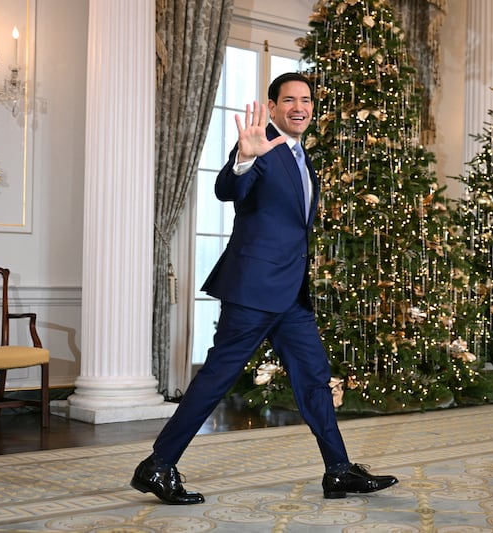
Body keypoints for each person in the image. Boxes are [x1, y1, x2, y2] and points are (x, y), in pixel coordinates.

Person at [130, 72, 398, 504]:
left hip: (291, 295)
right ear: (272, 107)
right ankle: (158, 465)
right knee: (217, 378)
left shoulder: (301, 156)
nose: (299, 107)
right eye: (289, 99)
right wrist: (243, 158)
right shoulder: (261, 145)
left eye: (306, 100)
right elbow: (227, 189)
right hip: (253, 291)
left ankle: (338, 470)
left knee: (314, 379)